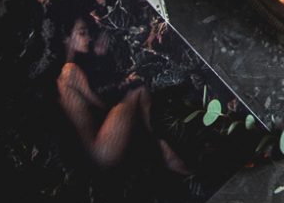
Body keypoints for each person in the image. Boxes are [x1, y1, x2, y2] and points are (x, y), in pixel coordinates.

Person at [56, 14, 188, 175]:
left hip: (98, 149)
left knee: (136, 92)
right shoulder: (69, 70)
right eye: (82, 33)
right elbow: (101, 102)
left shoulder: (66, 73)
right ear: (66, 38)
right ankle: (165, 151)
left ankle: (164, 152)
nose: (89, 38)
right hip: (101, 151)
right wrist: (125, 83)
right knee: (138, 89)